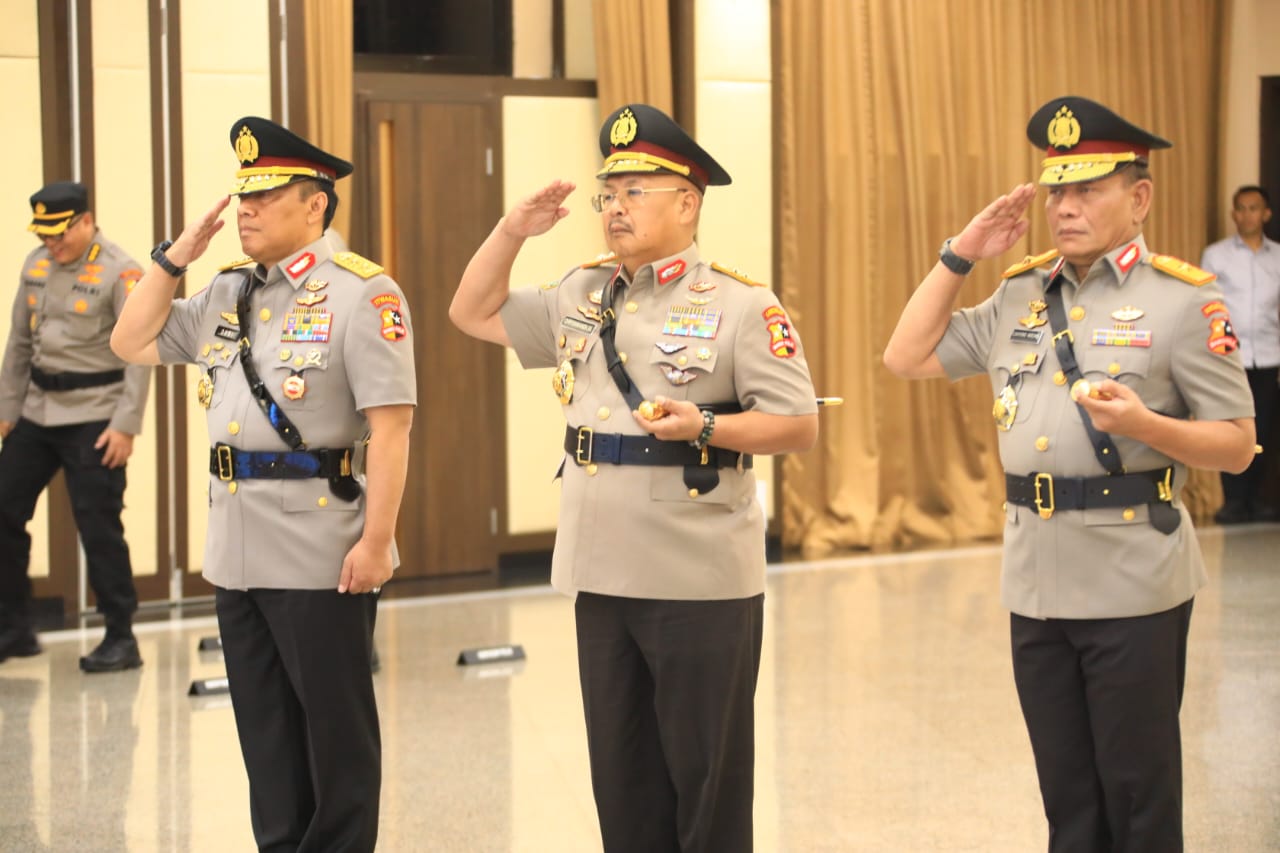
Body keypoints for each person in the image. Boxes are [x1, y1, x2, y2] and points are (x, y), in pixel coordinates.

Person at [883, 96, 1256, 851]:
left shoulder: (1183, 300)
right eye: (1057, 189)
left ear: (1139, 196)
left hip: (1134, 580)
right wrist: (961, 252)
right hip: (1037, 579)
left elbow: (1239, 445)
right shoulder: (1020, 292)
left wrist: (1146, 426)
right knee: (1068, 796)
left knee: (1137, 793)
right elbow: (905, 356)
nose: (1065, 206)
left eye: (1088, 188)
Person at [450, 103, 818, 852]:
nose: (614, 209)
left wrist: (706, 427)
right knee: (623, 785)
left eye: (634, 192)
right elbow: (469, 309)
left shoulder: (744, 306)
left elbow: (798, 423)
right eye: (607, 195)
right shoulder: (582, 293)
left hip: (697, 579)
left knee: (705, 786)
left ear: (688, 201)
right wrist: (511, 231)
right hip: (601, 571)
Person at [111, 117, 415, 851]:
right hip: (235, 549)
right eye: (242, 196)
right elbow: (129, 339)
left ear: (316, 204)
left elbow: (394, 427)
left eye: (265, 195)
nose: (244, 209)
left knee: (335, 737)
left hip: (320, 548)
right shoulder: (226, 291)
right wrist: (173, 257)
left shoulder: (362, 295)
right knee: (267, 740)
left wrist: (378, 541)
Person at [0, 181, 150, 671]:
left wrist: (126, 425)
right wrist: (8, 409)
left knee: (98, 526)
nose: (52, 244)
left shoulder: (120, 271)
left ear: (86, 220)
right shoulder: (35, 264)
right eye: (44, 234)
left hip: (95, 415)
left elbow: (141, 354)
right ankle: (13, 626)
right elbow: (19, 344)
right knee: (4, 509)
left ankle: (120, 634)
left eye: (60, 233)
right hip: (37, 411)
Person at [1200, 185, 1280, 523]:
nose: (1247, 214)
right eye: (1241, 208)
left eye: (1254, 208)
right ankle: (1232, 501)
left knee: (1263, 429)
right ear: (1233, 214)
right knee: (1229, 428)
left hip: (1269, 354)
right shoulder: (1216, 255)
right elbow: (1205, 304)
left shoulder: (1278, 256)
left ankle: (1257, 500)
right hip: (1229, 356)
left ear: (1266, 214)